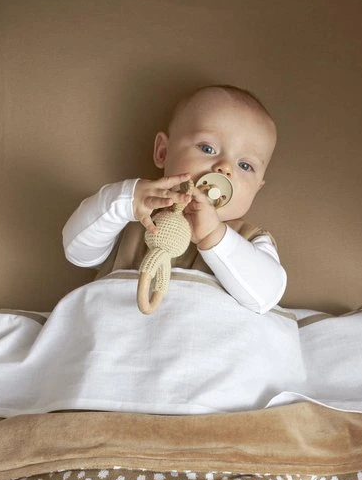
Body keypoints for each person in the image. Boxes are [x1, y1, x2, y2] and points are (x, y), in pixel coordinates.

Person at [62, 84, 287, 314]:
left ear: (257, 189)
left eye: (245, 166)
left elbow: (266, 296)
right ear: (163, 152)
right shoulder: (135, 217)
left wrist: (214, 236)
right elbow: (78, 253)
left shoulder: (250, 241)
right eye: (207, 148)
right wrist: (126, 201)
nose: (225, 168)